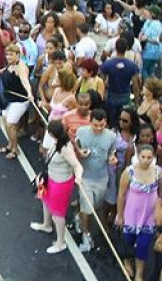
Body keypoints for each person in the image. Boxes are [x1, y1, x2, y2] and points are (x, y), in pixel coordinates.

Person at [30, 120, 83, 254]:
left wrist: (79, 177)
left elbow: (77, 165)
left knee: (58, 214)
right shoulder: (57, 143)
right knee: (45, 201)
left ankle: (60, 242)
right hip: (51, 178)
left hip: (61, 184)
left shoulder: (66, 148)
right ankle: (46, 225)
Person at [75, 108, 118, 253]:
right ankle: (86, 236)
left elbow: (112, 152)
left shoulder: (111, 137)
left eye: (102, 125)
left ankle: (78, 216)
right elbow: (76, 145)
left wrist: (112, 158)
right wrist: (80, 152)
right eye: (95, 125)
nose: (99, 128)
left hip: (101, 177)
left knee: (95, 206)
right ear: (90, 121)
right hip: (85, 176)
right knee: (88, 207)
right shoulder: (81, 131)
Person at [116, 144, 159, 281]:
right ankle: (127, 262)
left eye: (149, 158)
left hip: (149, 216)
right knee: (128, 241)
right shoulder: (129, 172)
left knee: (144, 245)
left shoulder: (158, 172)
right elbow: (121, 195)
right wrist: (120, 214)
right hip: (131, 214)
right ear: (137, 156)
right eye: (143, 157)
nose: (146, 160)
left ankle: (139, 273)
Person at [0, 44, 33, 160]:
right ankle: (10, 144)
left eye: (11, 55)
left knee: (10, 124)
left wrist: (29, 93)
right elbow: (7, 71)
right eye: (7, 54)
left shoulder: (21, 67)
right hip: (9, 98)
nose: (8, 57)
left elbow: (24, 80)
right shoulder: (11, 63)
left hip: (20, 100)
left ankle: (15, 149)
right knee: (4, 120)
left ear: (18, 55)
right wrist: (2, 70)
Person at [101, 38, 140, 127]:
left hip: (111, 96)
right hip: (125, 96)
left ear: (115, 48)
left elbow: (102, 81)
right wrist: (137, 102)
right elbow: (136, 86)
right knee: (124, 122)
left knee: (112, 122)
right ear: (126, 48)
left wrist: (104, 95)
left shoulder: (107, 64)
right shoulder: (132, 66)